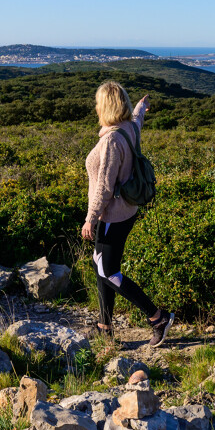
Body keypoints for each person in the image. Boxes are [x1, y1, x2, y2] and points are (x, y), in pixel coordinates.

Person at [81, 81, 174, 346]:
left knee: (108, 271)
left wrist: (91, 218)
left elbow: (104, 186)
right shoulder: (129, 126)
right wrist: (142, 109)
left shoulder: (111, 140)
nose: (95, 106)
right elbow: (138, 121)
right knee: (101, 265)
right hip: (127, 210)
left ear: (105, 105)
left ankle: (157, 318)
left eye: (98, 102)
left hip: (112, 215)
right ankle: (104, 326)